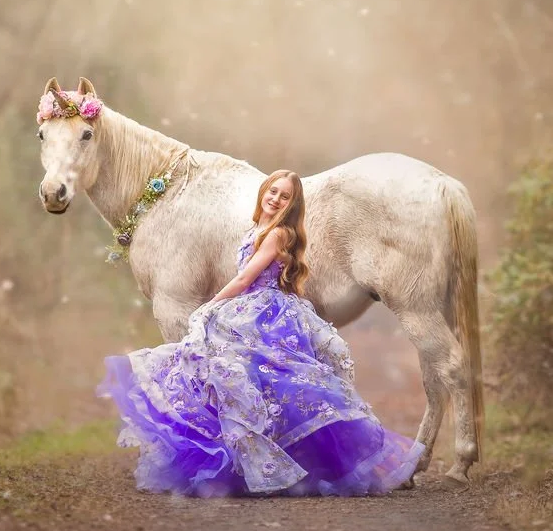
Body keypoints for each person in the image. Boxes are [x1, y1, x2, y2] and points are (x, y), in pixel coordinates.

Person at [96, 169, 424, 497]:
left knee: (271, 381)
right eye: (273, 191)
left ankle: (286, 461)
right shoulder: (258, 229)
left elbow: (244, 279)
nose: (275, 199)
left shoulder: (278, 234)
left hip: (263, 310)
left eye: (284, 197)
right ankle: (247, 461)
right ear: (263, 192)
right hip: (251, 307)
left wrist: (210, 305)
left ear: (291, 205)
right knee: (240, 379)